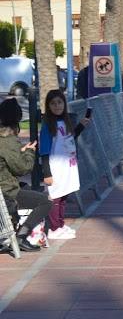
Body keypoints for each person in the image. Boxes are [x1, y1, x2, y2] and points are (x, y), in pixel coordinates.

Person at [39, 89, 90, 240]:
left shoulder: (66, 120)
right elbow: (44, 151)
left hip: (68, 166)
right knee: (55, 196)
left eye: (59, 102)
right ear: (48, 106)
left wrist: (81, 126)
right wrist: (47, 173)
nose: (57, 106)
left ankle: (60, 224)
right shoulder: (48, 124)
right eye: (53, 103)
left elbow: (69, 139)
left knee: (63, 196)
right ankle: (54, 228)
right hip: (56, 167)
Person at [0, 99, 48, 252]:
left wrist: (20, 151)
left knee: (26, 187)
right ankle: (21, 236)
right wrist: (29, 152)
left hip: (4, 186)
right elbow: (23, 168)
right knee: (45, 202)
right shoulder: (7, 141)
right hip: (6, 192)